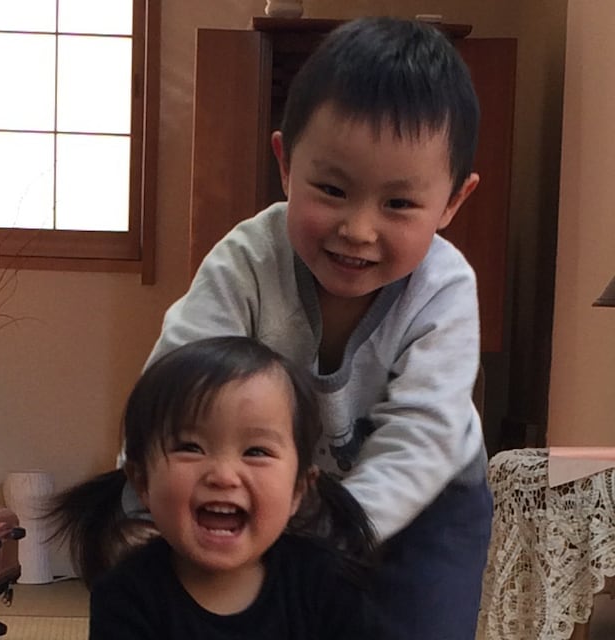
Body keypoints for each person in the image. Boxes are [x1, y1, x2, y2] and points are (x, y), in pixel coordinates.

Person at [133, 16, 492, 638]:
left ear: (453, 202)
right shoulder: (246, 262)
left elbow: (422, 434)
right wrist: (140, 509)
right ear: (285, 165)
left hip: (432, 499)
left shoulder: (445, 288)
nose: (358, 229)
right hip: (285, 493)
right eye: (331, 189)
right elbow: (171, 391)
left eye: (399, 204)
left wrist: (317, 547)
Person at [50, 336, 378, 639]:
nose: (223, 475)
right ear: (142, 482)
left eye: (256, 452)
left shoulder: (328, 585)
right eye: (190, 447)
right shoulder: (126, 595)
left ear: (298, 490)